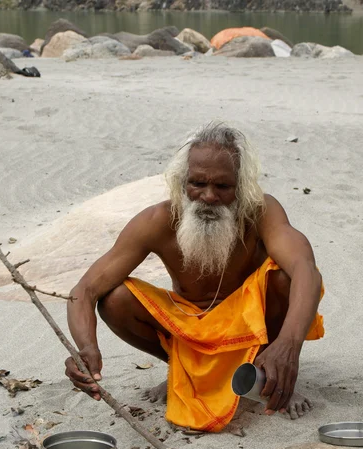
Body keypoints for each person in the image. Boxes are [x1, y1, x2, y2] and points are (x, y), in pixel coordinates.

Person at [65, 122, 324, 431]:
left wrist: (289, 346)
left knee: (284, 278)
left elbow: (307, 270)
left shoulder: (262, 212)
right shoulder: (157, 220)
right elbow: (85, 290)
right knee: (114, 298)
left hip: (255, 331)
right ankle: (181, 370)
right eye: (197, 183)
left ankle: (275, 376)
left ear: (241, 186)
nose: (208, 196)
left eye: (223, 187)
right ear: (181, 182)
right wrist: (86, 349)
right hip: (191, 330)